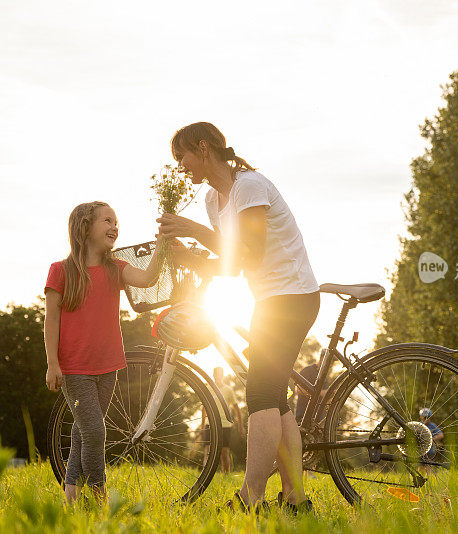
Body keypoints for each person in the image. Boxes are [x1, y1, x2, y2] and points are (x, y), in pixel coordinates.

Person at [158, 122, 320, 514]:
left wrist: (194, 232)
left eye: (183, 158)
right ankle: (295, 500)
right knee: (274, 400)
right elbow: (233, 266)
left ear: (203, 147)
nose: (181, 168)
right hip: (268, 300)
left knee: (260, 395)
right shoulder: (214, 200)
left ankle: (250, 499)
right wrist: (191, 258)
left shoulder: (249, 186)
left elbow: (253, 251)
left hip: (293, 296)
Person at [44, 201, 165, 506]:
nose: (115, 227)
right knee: (95, 431)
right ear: (85, 228)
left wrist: (163, 244)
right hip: (75, 369)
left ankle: (70, 497)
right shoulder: (60, 271)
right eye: (107, 221)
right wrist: (52, 364)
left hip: (108, 366)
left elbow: (148, 279)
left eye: (116, 222)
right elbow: (51, 320)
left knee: (84, 432)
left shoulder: (116, 269)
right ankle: (99, 496)